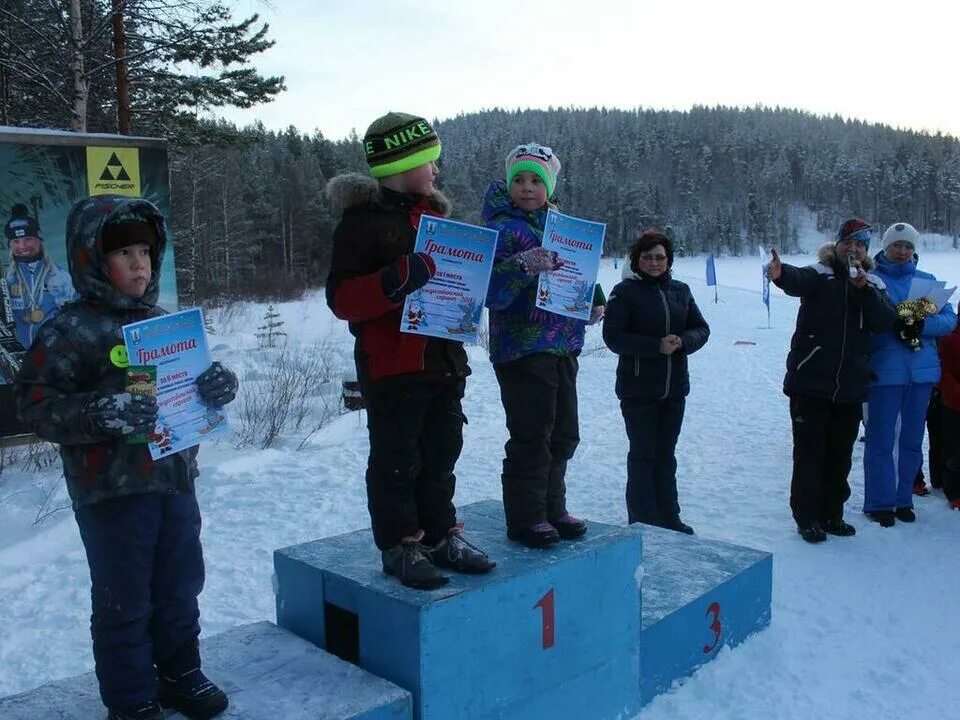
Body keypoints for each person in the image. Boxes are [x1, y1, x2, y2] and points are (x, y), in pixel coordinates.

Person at [14, 195, 237, 720]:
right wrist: (99, 412)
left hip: (175, 481)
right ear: (93, 258)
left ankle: (180, 673)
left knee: (181, 586)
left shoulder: (165, 325)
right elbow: (34, 405)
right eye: (124, 254)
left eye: (145, 251)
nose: (140, 263)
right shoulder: (69, 330)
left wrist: (214, 386)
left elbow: (181, 392)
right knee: (125, 600)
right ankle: (132, 699)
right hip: (111, 494)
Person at [325, 111, 495, 590]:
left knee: (442, 454)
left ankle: (441, 535)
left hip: (443, 362)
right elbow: (342, 299)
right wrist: (395, 279)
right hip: (393, 366)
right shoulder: (360, 225)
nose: (436, 171)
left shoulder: (436, 218)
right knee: (397, 459)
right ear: (402, 164)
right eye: (430, 162)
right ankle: (401, 544)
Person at [482, 142, 605, 548]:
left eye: (537, 180)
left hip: (563, 344)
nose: (528, 187)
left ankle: (553, 507)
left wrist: (592, 302)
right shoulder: (500, 228)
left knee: (564, 433)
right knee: (532, 434)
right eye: (519, 179)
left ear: (550, 186)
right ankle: (526, 517)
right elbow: (488, 291)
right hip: (521, 347)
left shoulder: (562, 228)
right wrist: (522, 264)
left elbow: (580, 275)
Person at [767, 218, 897, 543]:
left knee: (839, 455)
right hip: (810, 382)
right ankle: (807, 517)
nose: (852, 249)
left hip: (851, 387)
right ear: (837, 245)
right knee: (809, 453)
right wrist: (780, 274)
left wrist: (863, 289)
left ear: (866, 252)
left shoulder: (874, 284)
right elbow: (797, 280)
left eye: (860, 245)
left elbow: (885, 321)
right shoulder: (820, 274)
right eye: (847, 243)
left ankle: (832, 514)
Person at [602, 228, 709, 533]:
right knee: (643, 454)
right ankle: (643, 519)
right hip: (638, 389)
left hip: (674, 388)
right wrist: (654, 346)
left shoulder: (681, 290)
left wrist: (684, 340)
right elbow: (614, 337)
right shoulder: (624, 293)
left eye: (660, 257)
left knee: (666, 454)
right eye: (647, 257)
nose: (654, 263)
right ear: (636, 261)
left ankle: (670, 515)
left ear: (668, 260)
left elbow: (701, 328)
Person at [863, 222, 957, 526]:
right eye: (897, 245)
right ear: (886, 247)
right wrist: (893, 327)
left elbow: (949, 320)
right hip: (884, 371)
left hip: (922, 373)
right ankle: (880, 502)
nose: (902, 251)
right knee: (881, 439)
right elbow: (863, 322)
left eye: (908, 247)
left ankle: (903, 499)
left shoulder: (927, 282)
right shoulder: (872, 280)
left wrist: (920, 326)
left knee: (912, 440)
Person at [4, 202, 77, 348]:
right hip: (14, 360)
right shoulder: (7, 281)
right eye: (16, 241)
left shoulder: (59, 278)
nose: (22, 246)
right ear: (10, 245)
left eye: (28, 239)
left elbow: (76, 321)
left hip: (52, 356)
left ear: (39, 239)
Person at [932, 322, 960, 509]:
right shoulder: (949, 339)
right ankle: (954, 491)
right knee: (953, 448)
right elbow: (944, 372)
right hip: (953, 401)